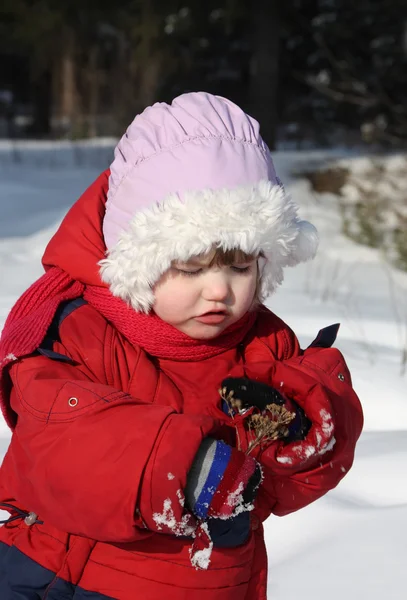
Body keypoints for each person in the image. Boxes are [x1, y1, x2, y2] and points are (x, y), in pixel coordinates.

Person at [0, 92, 363, 600]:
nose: (219, 290)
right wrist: (185, 467)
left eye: (240, 267)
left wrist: (301, 431)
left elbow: (294, 481)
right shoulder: (82, 330)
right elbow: (55, 443)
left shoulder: (264, 343)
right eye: (191, 268)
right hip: (68, 580)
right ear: (138, 261)